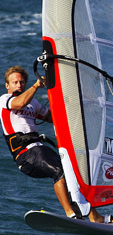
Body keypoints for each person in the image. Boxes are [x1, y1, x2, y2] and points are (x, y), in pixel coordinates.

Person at [2, 66, 104, 222]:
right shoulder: (5, 99)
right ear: (7, 85)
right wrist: (36, 86)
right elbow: (19, 103)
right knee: (60, 173)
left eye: (21, 82)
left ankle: (95, 217)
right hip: (25, 154)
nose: (19, 85)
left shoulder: (33, 103)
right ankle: (71, 214)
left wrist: (76, 105)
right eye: (15, 82)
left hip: (39, 149)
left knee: (73, 175)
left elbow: (53, 118)